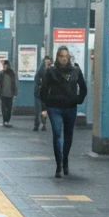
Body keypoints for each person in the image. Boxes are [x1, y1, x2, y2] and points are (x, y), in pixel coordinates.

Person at [40, 45, 87, 178]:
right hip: (55, 107)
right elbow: (43, 89)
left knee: (68, 136)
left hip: (70, 107)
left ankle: (65, 159)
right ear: (57, 57)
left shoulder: (76, 71)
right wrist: (45, 106)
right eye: (61, 56)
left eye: (66, 56)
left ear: (69, 57)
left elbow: (83, 87)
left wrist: (79, 100)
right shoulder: (51, 71)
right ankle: (59, 164)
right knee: (57, 135)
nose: (64, 59)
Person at [0, 58, 19, 126]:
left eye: (6, 65)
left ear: (8, 65)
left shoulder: (12, 73)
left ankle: (7, 120)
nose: (5, 66)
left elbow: (15, 83)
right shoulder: (1, 73)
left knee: (9, 108)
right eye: (4, 65)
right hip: (3, 93)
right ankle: (4, 120)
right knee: (3, 108)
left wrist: (15, 92)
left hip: (10, 93)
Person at [33, 55, 52, 131]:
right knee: (39, 109)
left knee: (43, 109)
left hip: (44, 93)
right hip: (40, 92)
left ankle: (42, 124)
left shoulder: (49, 70)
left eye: (48, 60)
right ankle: (38, 124)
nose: (47, 62)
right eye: (46, 60)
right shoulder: (42, 70)